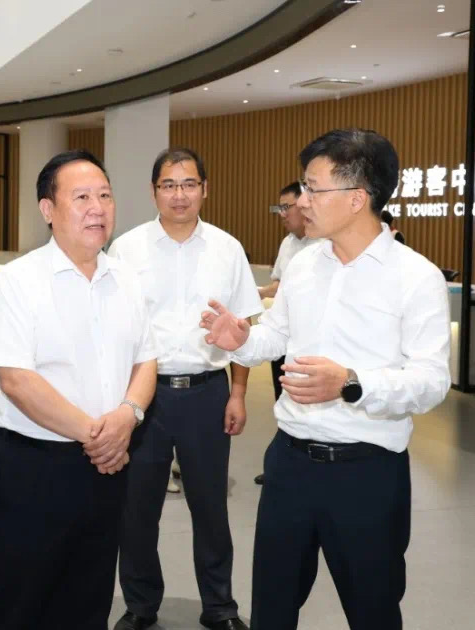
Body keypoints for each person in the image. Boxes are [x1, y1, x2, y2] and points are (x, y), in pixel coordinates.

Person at [201, 128, 451, 630]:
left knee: (372, 608)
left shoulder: (415, 277)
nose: (301, 201)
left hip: (367, 473)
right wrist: (241, 340)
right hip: (289, 464)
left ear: (358, 198)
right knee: (272, 606)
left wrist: (351, 383)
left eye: (313, 189)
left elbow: (430, 380)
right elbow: (277, 336)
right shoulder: (303, 266)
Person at [0, 150, 157, 630]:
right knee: (21, 601)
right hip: (35, 468)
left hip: (107, 464)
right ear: (48, 209)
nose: (98, 208)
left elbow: (146, 360)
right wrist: (99, 436)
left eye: (105, 196)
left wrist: (127, 416)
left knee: (89, 596)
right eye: (81, 198)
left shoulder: (127, 279)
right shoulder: (18, 281)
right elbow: (17, 380)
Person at [109, 148, 261, 630]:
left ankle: (219, 606)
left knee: (210, 508)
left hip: (206, 392)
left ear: (205, 189)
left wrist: (238, 393)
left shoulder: (227, 249)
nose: (179, 194)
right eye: (169, 185)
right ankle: (140, 605)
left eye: (189, 184)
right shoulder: (126, 249)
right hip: (143, 395)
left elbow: (243, 327)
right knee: (137, 509)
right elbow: (111, 328)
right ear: (154, 191)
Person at [254, 181, 318, 486]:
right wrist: (256, 292)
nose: (282, 213)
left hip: (310, 343)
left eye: (286, 206)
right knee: (284, 398)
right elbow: (278, 286)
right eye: (279, 207)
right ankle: (283, 465)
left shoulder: (324, 244)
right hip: (281, 337)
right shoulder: (288, 244)